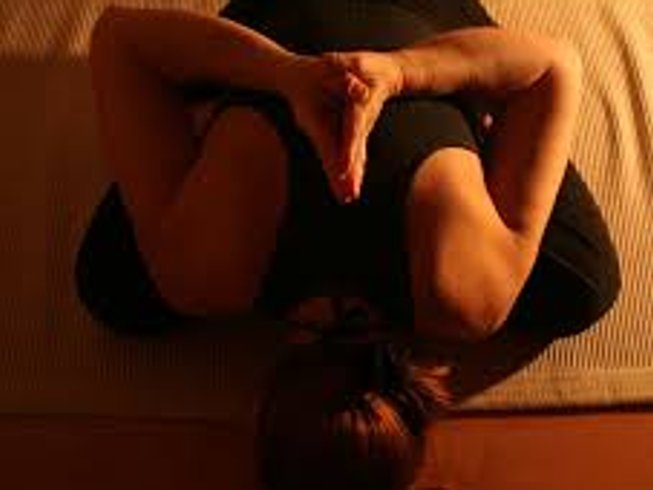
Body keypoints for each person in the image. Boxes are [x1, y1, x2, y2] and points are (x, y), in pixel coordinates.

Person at [75, 1, 621, 489]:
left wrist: (391, 72)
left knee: (582, 288)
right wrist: (305, 73)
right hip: (276, 21)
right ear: (265, 412)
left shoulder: (471, 295)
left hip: (424, 22)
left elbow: (553, 66)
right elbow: (122, 39)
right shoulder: (198, 274)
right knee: (117, 290)